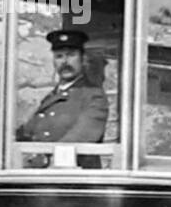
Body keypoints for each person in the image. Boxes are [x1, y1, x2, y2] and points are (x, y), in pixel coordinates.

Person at [15, 29, 108, 163]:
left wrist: (44, 159)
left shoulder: (94, 97)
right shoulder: (50, 99)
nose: (65, 62)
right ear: (54, 62)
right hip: (44, 176)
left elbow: (82, 136)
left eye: (71, 55)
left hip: (75, 178)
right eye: (59, 56)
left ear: (82, 59)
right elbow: (26, 134)